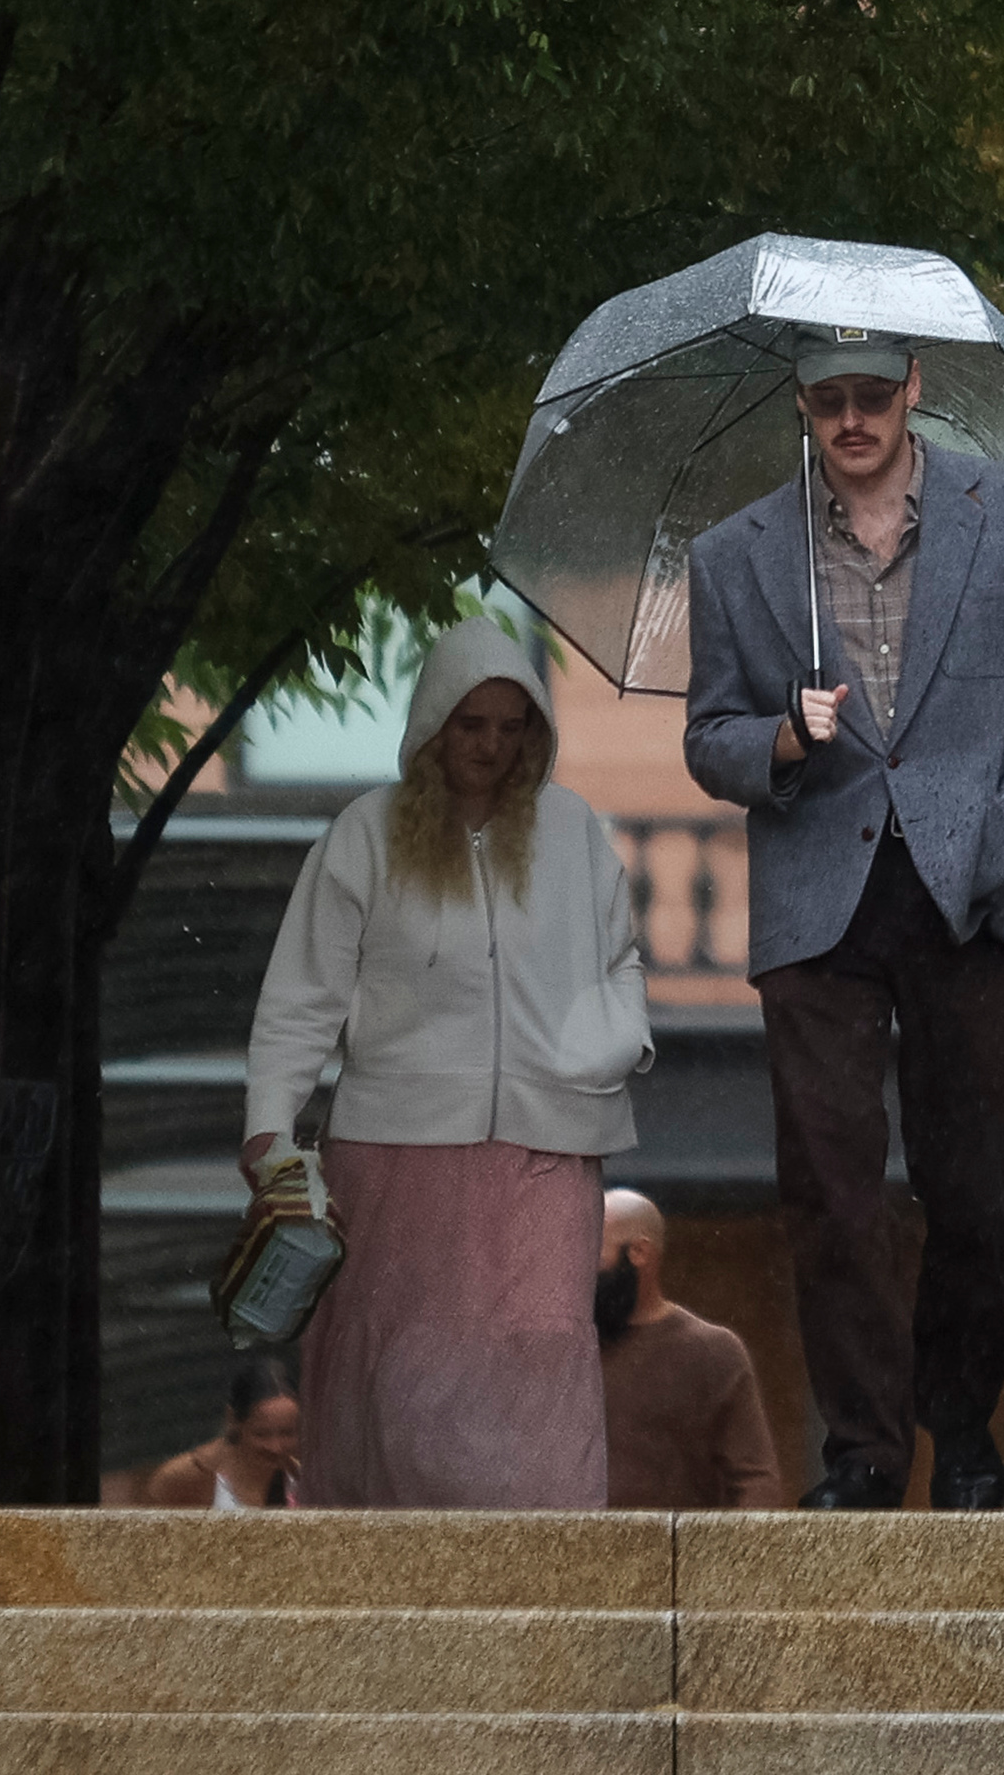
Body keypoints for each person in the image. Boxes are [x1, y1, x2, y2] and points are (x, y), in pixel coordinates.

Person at [685, 324, 1004, 1510]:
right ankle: (866, 1453)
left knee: (975, 1188)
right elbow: (706, 736)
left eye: (875, 394)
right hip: (817, 895)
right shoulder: (736, 553)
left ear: (917, 388)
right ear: (801, 405)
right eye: (828, 400)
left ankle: (962, 1425)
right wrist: (780, 736)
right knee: (830, 1188)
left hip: (970, 881)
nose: (853, 419)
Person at [240, 616, 654, 1508]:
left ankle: (543, 1578)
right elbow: (301, 996)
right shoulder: (366, 834)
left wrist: (614, 1041)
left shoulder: (573, 831)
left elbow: (621, 956)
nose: (493, 747)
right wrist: (269, 1130)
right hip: (396, 1154)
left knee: (542, 1351)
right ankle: (409, 1590)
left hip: (552, 1144)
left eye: (513, 728)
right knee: (409, 1378)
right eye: (472, 726)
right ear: (433, 724)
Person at [595, 1189, 783, 1509]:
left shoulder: (709, 1350)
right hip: (571, 1551)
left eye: (593, 1254)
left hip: (678, 1552)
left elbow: (756, 1482)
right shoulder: (570, 1352)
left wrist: (738, 1556)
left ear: (638, 1252)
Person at [142, 1359, 299, 1509]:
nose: (276, 1447)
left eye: (287, 1433)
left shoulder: (300, 1477)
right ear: (234, 1420)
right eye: (261, 1434)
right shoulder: (186, 1478)